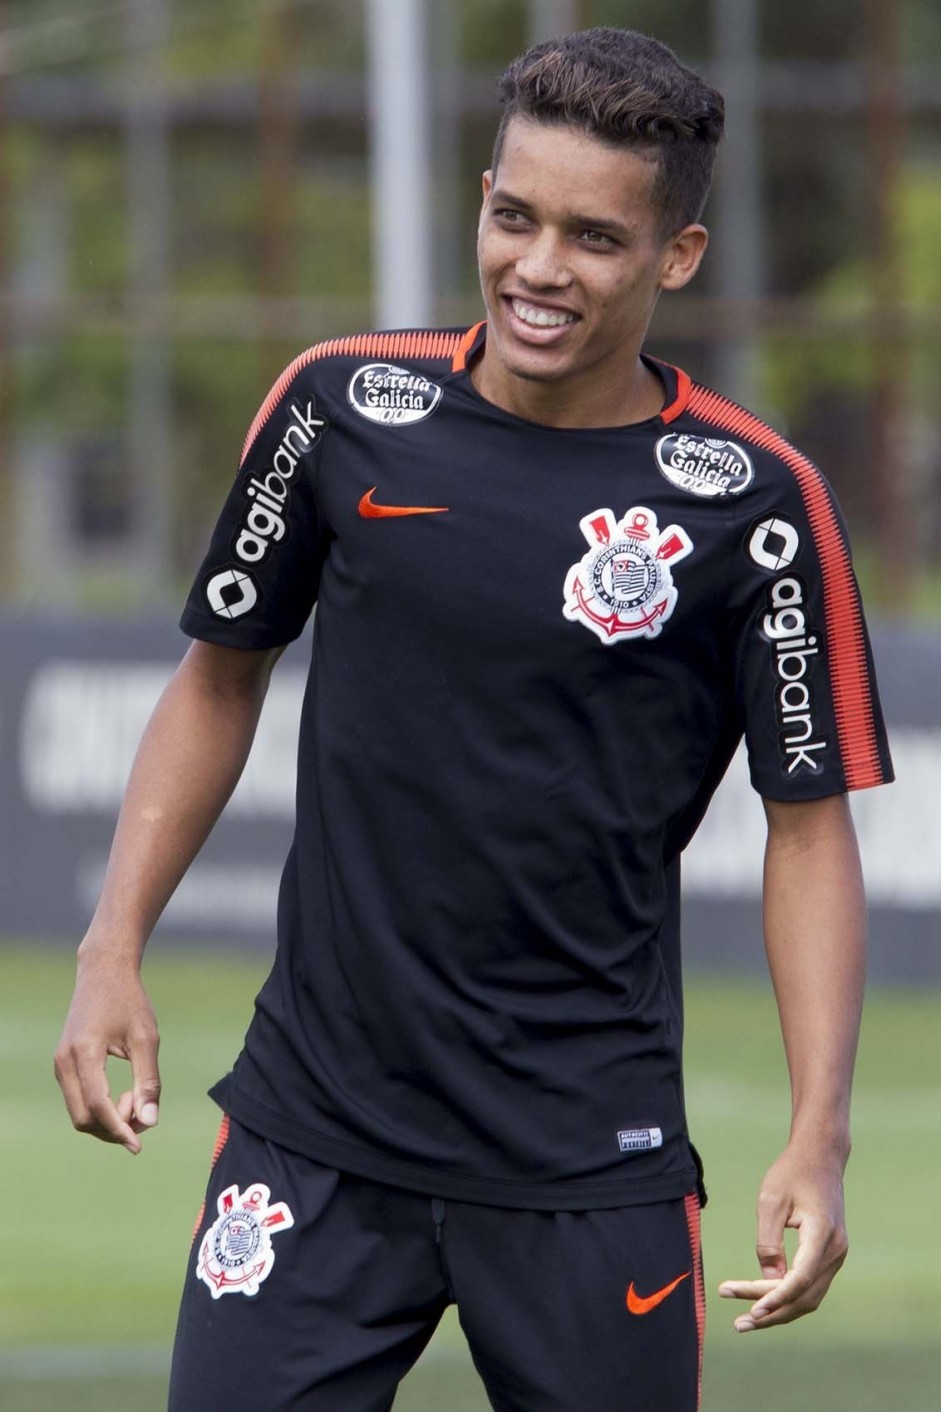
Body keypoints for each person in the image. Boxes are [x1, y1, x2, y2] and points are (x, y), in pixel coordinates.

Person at [55, 26, 893, 1412]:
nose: (538, 268)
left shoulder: (755, 503)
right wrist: (110, 948)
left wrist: (818, 1134)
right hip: (310, 1135)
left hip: (588, 1167)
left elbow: (806, 833)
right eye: (512, 217)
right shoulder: (340, 408)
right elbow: (218, 680)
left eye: (592, 237)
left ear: (674, 257)